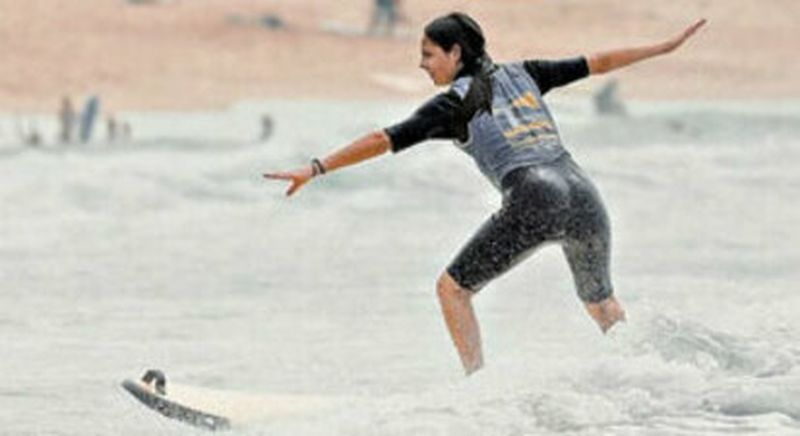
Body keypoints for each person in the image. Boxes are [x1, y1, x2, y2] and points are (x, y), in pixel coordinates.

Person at [265, 13, 706, 375]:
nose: (422, 65)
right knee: (601, 303)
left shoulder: (455, 103)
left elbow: (384, 138)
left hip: (536, 194)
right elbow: (599, 61)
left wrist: (316, 167)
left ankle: (478, 391)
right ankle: (658, 377)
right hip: (584, 193)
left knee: (452, 289)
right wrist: (662, 48)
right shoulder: (527, 73)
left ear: (455, 53)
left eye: (428, 54)